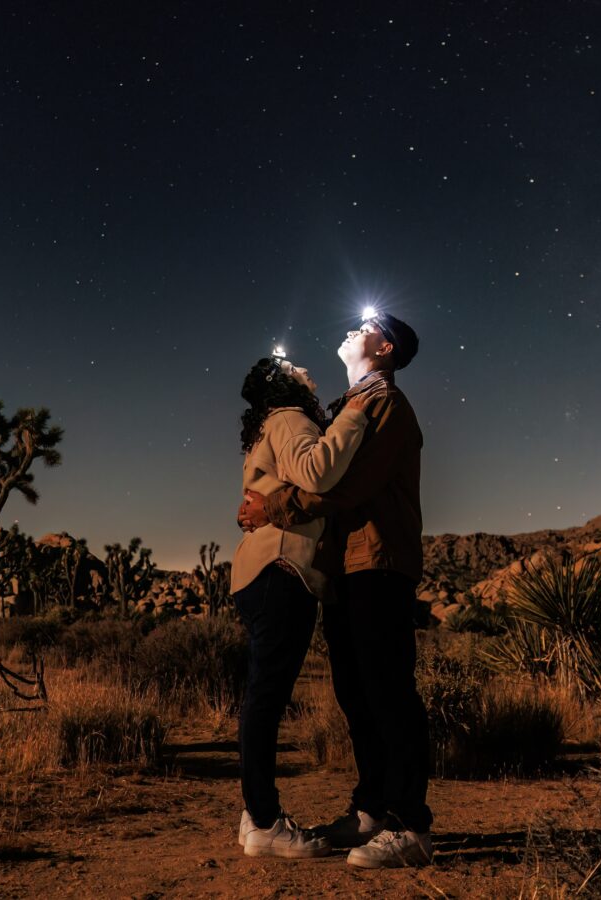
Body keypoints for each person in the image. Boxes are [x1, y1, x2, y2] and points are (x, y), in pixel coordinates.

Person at [238, 310, 429, 868]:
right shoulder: (349, 408)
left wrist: (272, 506)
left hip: (379, 561)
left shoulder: (384, 403)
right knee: (356, 693)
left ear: (386, 347)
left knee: (388, 689)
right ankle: (372, 810)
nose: (352, 328)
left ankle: (413, 825)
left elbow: (346, 486)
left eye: (367, 324)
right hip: (347, 567)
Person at [230, 353, 371, 859]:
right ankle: (265, 822)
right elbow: (318, 469)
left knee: (261, 692)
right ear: (281, 385)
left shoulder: (268, 426)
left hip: (260, 569)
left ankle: (255, 817)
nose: (304, 370)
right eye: (290, 367)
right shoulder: (291, 418)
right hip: (282, 567)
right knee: (266, 695)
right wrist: (354, 414)